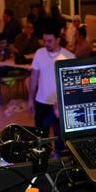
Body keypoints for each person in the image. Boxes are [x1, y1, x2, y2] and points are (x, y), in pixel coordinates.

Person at [28, 24, 75, 153]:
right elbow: (34, 77)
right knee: (41, 139)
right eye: (44, 41)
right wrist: (30, 99)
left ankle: (59, 159)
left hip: (59, 105)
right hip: (41, 102)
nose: (46, 44)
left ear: (58, 40)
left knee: (61, 140)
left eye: (49, 41)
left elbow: (71, 85)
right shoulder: (39, 53)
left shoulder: (69, 57)